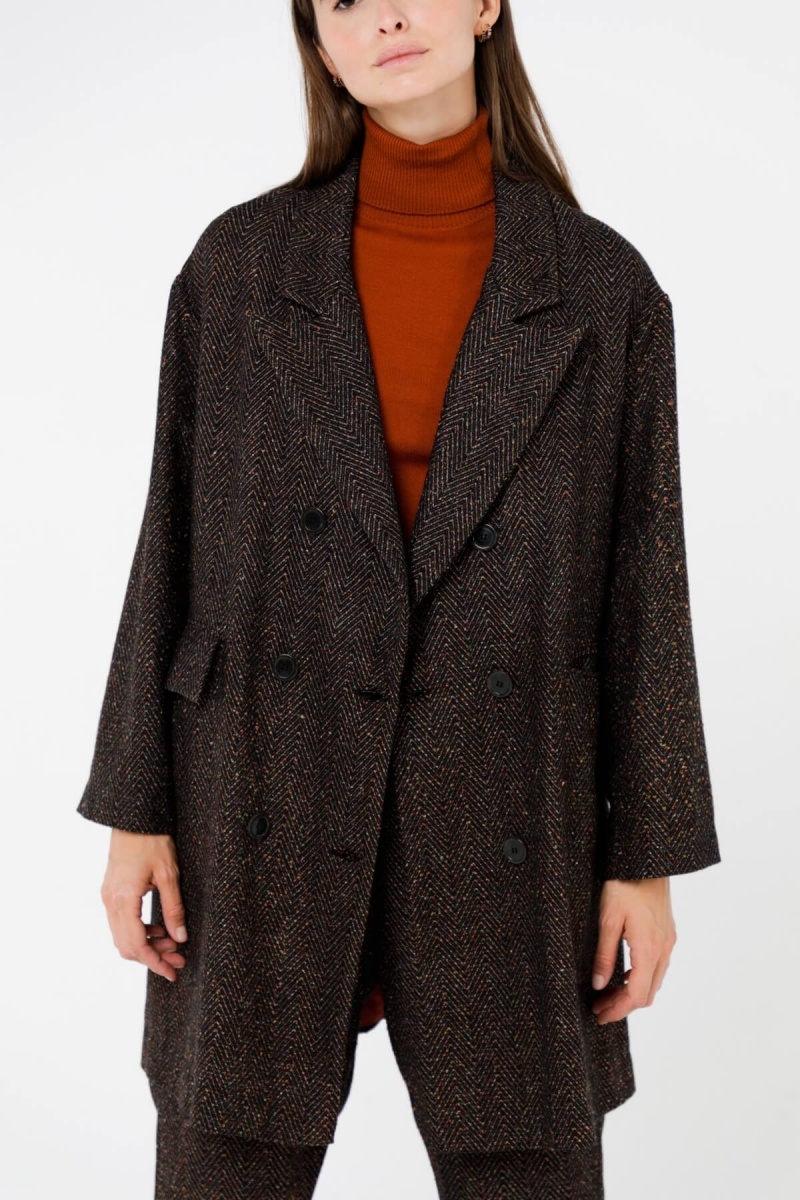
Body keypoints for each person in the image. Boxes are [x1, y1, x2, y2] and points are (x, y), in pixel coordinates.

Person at [78, 2, 722, 1197]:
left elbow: (645, 587)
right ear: (317, 42)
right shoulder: (239, 268)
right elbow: (168, 543)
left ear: (483, 4)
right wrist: (134, 812)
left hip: (509, 792)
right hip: (259, 781)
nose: (380, 15)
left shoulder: (599, 286)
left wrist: (646, 859)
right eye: (338, 0)